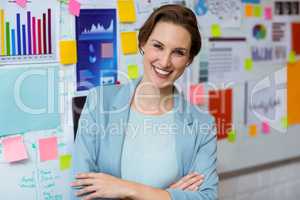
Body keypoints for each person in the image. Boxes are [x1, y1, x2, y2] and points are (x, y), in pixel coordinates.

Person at [71, 4, 218, 200]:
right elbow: (79, 192)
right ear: (142, 43)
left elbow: (207, 197)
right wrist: (167, 195)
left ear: (189, 59)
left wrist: (127, 189)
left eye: (179, 52)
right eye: (158, 46)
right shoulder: (99, 102)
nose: (165, 62)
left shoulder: (203, 125)